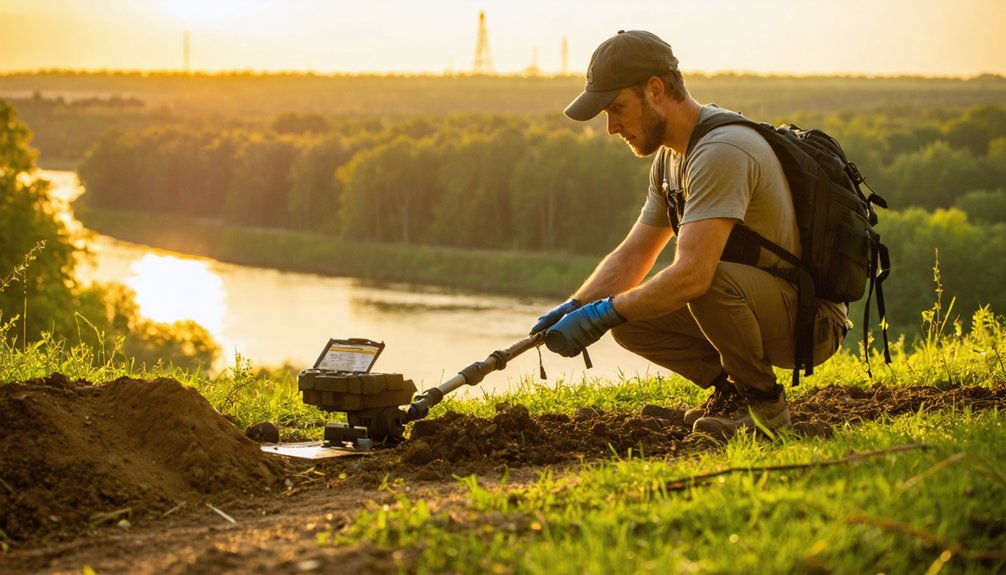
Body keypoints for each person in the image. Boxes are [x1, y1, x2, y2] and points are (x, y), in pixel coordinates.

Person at [531, 30, 849, 438]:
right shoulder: (670, 160)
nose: (611, 127)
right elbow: (633, 256)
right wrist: (579, 305)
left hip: (808, 321)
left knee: (699, 280)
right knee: (630, 318)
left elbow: (695, 276)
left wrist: (605, 310)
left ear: (655, 89)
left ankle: (765, 409)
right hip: (757, 306)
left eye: (616, 108)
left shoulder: (722, 151)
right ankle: (733, 394)